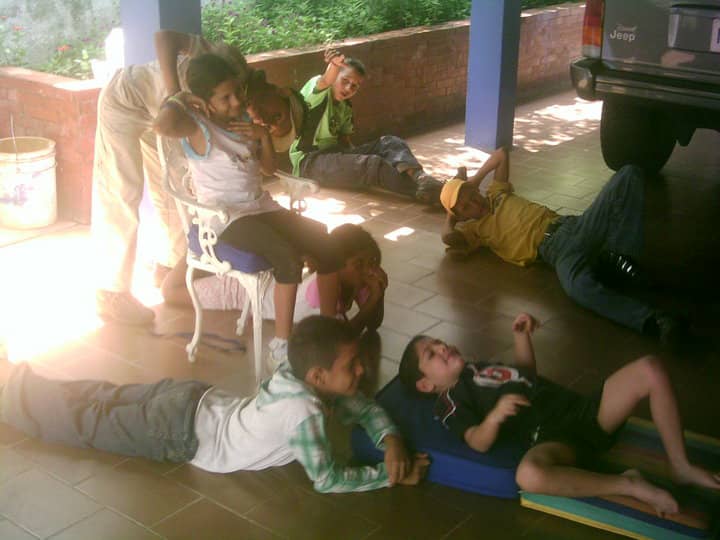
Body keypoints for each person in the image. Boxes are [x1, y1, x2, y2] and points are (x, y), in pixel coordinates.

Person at [0, 316, 430, 493]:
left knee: (104, 398)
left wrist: (390, 440)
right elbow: (327, 478)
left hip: (194, 399)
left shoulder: (295, 374)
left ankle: (22, 382)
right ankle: (9, 399)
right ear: (318, 377)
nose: (362, 371)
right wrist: (389, 476)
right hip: (181, 431)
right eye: (353, 366)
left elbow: (363, 407)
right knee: (89, 424)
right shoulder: (304, 413)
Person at [398, 312, 720, 516]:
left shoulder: (475, 368)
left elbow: (526, 377)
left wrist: (521, 337)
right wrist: (494, 417)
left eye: (439, 343)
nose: (442, 348)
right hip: (553, 437)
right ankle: (628, 485)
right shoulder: (450, 401)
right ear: (426, 384)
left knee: (650, 368)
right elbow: (476, 441)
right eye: (431, 354)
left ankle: (680, 465)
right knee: (529, 476)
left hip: (582, 412)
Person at [154, 53, 342, 365]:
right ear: (204, 101)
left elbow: (267, 169)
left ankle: (328, 329)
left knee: (325, 241)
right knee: (285, 255)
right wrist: (180, 98)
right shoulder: (198, 126)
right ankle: (281, 345)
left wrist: (263, 136)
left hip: (258, 207)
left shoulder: (242, 122)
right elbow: (161, 125)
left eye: (237, 93)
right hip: (224, 219)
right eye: (225, 98)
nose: (236, 102)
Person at [440, 147, 684, 344]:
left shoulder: (497, 192)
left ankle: (622, 258)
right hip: (557, 253)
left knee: (629, 173)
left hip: (573, 225)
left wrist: (472, 181)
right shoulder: (475, 230)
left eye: (472, 195)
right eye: (465, 207)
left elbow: (501, 154)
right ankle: (653, 321)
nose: (474, 203)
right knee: (577, 289)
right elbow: (448, 238)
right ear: (461, 216)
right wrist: (451, 216)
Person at [92, 30, 253, 326]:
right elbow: (164, 37)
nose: (236, 99)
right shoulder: (209, 54)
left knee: (173, 186)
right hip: (125, 100)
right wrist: (174, 92)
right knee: (121, 190)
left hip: (161, 113)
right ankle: (111, 292)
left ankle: (168, 266)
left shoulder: (232, 80)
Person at [162, 223, 387, 335]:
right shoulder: (321, 292)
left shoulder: (355, 281)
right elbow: (344, 337)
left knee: (193, 278)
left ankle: (202, 260)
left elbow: (373, 324)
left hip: (259, 281)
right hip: (239, 292)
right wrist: (372, 301)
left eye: (372, 262)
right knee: (169, 292)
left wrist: (378, 293)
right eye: (359, 264)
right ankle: (195, 248)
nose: (368, 270)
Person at [288, 49, 444, 204]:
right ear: (335, 75)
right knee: (372, 164)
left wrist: (354, 159)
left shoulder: (345, 107)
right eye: (345, 80)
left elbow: (345, 140)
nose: (348, 88)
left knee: (390, 142)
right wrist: (334, 65)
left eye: (354, 86)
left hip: (334, 154)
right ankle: (435, 193)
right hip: (310, 162)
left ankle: (421, 178)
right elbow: (325, 81)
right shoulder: (319, 91)